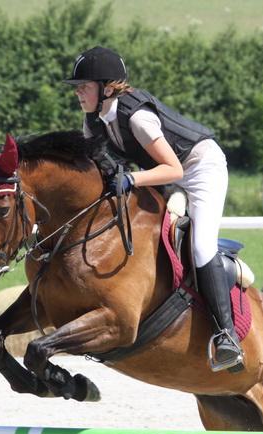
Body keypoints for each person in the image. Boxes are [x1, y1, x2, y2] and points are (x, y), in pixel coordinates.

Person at [62, 45, 244, 373]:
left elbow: (174, 169)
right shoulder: (94, 121)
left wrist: (131, 178)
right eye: (77, 87)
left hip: (199, 168)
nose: (78, 93)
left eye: (84, 86)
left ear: (107, 88)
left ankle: (226, 336)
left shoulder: (138, 117)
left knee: (201, 247)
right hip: (160, 173)